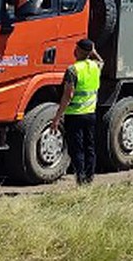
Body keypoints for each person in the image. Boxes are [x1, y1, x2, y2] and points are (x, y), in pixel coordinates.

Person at [51, 38, 103, 185]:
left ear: (79, 51)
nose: (74, 50)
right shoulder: (95, 67)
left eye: (76, 48)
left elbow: (68, 95)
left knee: (76, 149)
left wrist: (56, 118)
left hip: (74, 115)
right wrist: (94, 52)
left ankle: (80, 178)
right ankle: (89, 178)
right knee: (90, 147)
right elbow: (101, 61)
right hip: (90, 114)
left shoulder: (72, 70)